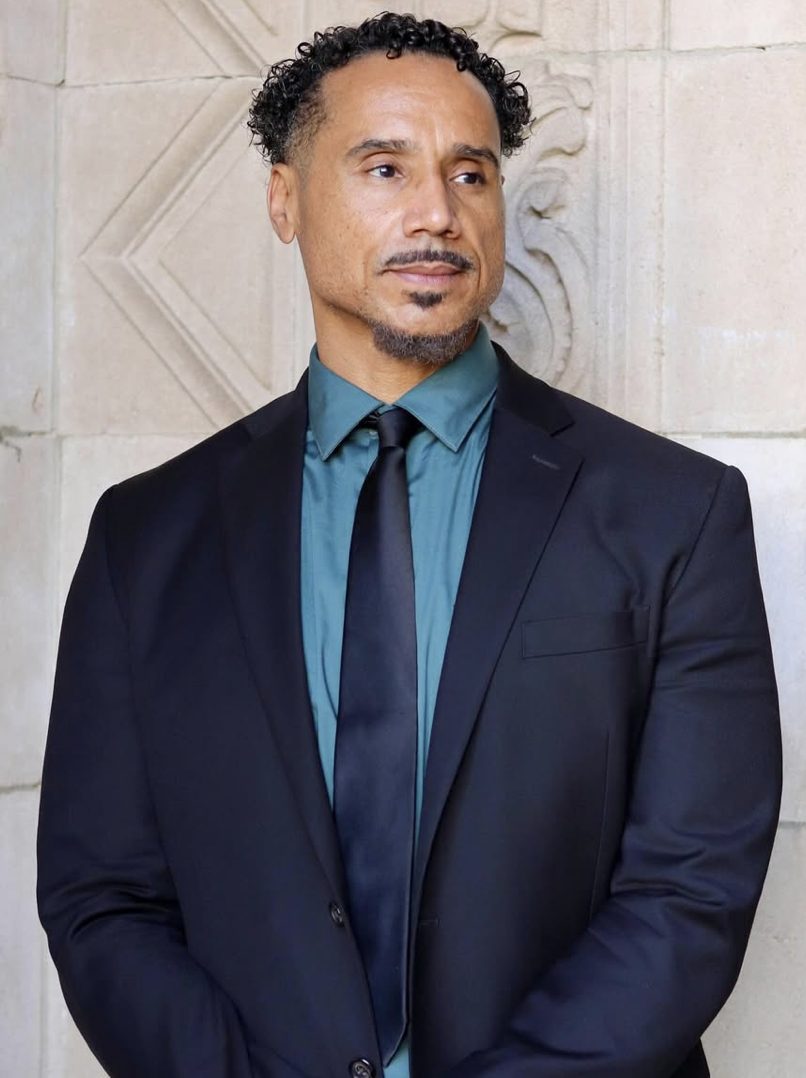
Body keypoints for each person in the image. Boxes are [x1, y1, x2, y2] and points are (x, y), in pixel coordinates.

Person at [37, 12, 782, 1078]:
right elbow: (102, 896)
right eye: (384, 168)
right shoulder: (145, 536)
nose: (437, 213)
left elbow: (689, 892)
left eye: (470, 175)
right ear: (285, 201)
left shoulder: (674, 511)